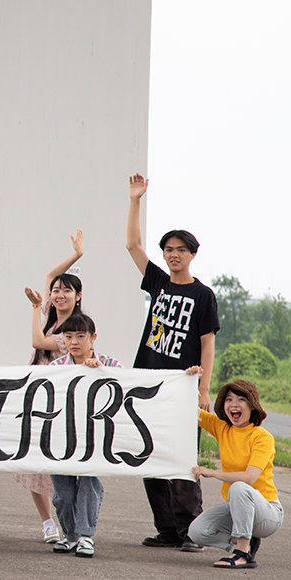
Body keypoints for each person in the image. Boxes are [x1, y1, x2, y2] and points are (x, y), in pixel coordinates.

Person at [126, 173, 219, 551]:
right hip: (149, 385)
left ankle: (190, 532)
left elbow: (207, 344)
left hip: (182, 387)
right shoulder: (159, 283)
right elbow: (132, 244)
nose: (173, 254)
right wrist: (135, 199)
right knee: (148, 456)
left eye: (180, 249)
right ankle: (166, 529)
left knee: (181, 459)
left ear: (192, 254)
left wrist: (203, 388)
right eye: (168, 249)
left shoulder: (203, 294)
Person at [21, 231, 86, 542]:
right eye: (56, 291)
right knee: (34, 464)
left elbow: (38, 342)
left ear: (78, 297)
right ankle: (48, 523)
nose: (59, 294)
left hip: (61, 401)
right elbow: (49, 275)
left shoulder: (76, 328)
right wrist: (76, 255)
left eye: (67, 291)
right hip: (37, 394)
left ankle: (70, 523)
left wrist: (35, 308)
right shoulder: (49, 314)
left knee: (59, 465)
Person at [46, 313, 121, 558]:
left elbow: (126, 388)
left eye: (80, 336)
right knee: (63, 493)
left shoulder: (109, 364)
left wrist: (99, 372)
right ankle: (70, 536)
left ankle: (86, 536)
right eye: (68, 336)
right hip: (62, 437)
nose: (74, 341)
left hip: (95, 437)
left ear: (93, 338)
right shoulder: (55, 368)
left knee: (88, 482)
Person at [189, 378, 283, 568]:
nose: (233, 404)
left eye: (241, 399)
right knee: (196, 531)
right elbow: (188, 409)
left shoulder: (262, 437)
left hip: (267, 513)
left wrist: (212, 473)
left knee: (239, 486)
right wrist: (190, 380)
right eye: (229, 399)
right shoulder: (222, 427)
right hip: (237, 509)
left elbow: (249, 478)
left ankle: (241, 554)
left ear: (252, 406)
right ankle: (246, 542)